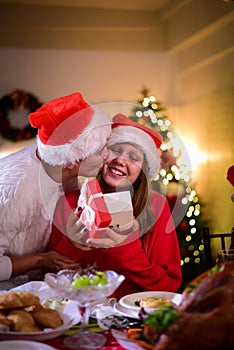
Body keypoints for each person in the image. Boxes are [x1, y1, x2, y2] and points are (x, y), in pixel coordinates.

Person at [48, 113, 182, 299]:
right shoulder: (71, 201)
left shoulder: (156, 205)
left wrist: (128, 248)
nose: (121, 160)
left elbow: (168, 286)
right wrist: (73, 245)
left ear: (143, 171)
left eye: (134, 157)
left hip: (132, 315)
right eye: (116, 150)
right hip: (80, 314)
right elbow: (50, 277)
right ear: (103, 154)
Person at [0, 91, 112, 287]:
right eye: (99, 151)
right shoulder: (18, 188)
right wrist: (41, 260)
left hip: (34, 286)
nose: (107, 155)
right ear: (72, 161)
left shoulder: (64, 169)